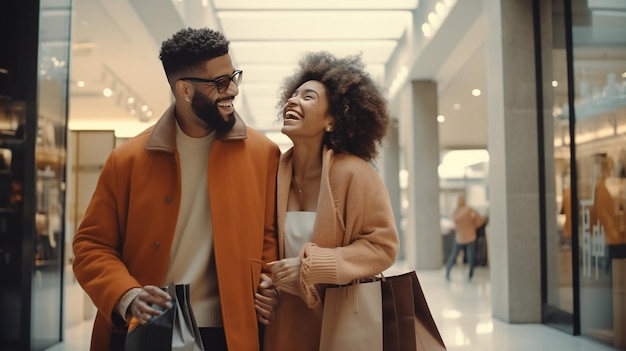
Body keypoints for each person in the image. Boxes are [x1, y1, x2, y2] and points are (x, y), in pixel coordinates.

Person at [72, 27, 281, 351]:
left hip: (231, 330)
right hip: (150, 326)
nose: (233, 90)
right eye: (220, 82)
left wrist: (269, 283)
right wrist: (127, 295)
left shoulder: (263, 154)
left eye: (234, 76)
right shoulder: (126, 160)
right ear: (184, 89)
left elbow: (268, 236)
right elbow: (91, 246)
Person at [260, 51, 400, 351]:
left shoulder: (355, 174)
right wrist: (262, 284)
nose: (292, 101)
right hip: (284, 326)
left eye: (308, 97)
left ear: (332, 121)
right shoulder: (271, 173)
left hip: (344, 326)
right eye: (293, 95)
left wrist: (312, 267)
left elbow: (383, 246)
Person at [445, 194, 488, 281]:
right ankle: (470, 275)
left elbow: (455, 223)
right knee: (471, 257)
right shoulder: (469, 210)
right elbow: (480, 220)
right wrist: (473, 226)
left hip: (459, 237)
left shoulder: (456, 212)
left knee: (453, 256)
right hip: (470, 236)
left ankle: (447, 272)